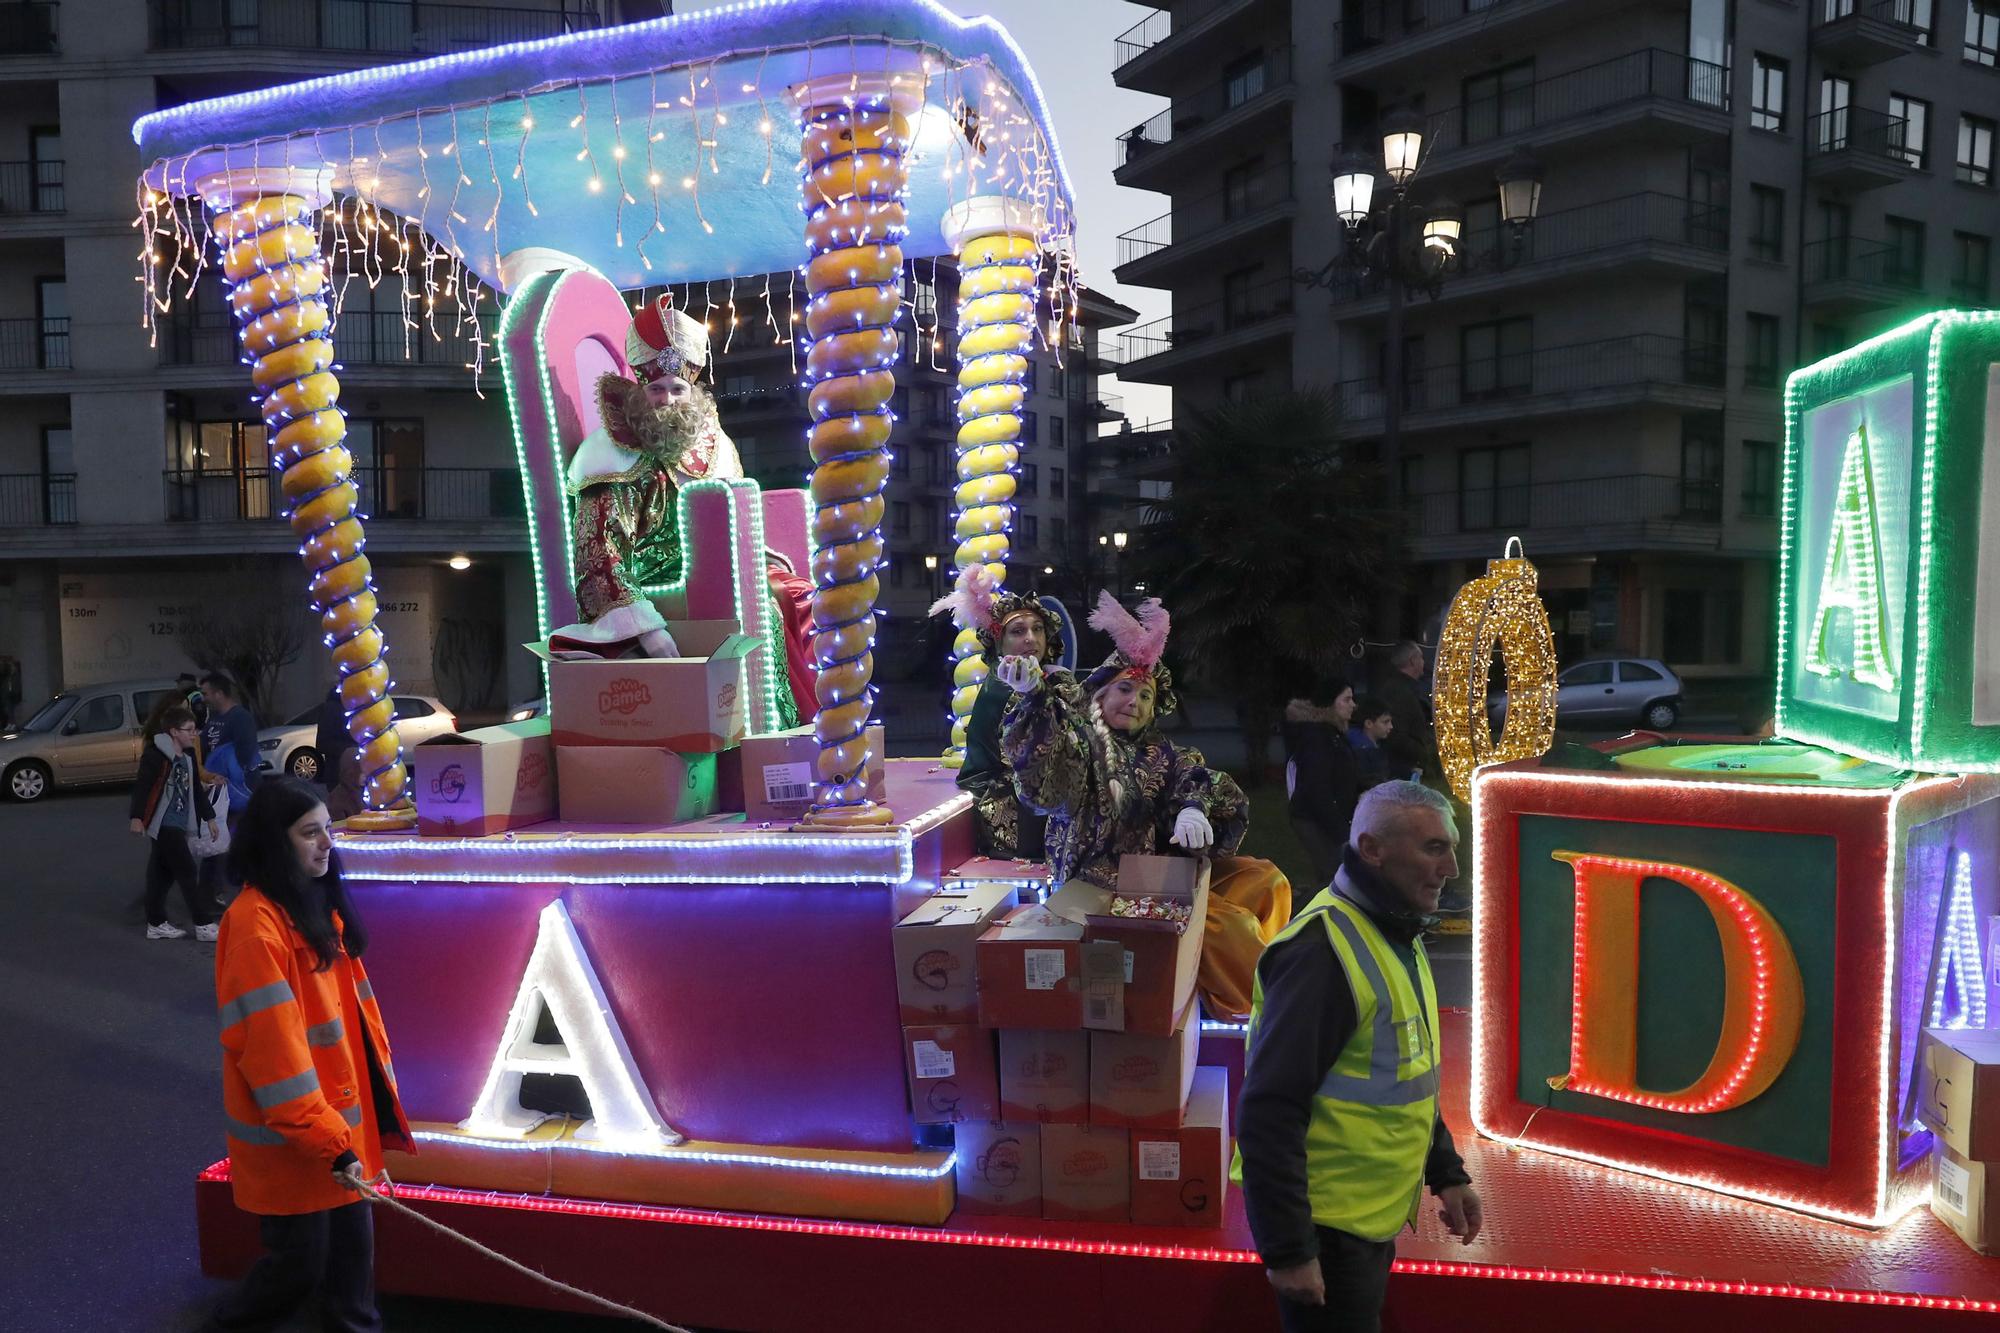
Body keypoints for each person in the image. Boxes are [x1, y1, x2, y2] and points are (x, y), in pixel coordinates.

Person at [1234, 781, 1483, 1333]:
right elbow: (1268, 1112)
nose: (1454, 869)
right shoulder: (1321, 955)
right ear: (1372, 850)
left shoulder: (1392, 927)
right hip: (1327, 1235)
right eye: (1435, 849)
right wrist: (1290, 1251)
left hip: (1364, 1222)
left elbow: (1406, 1071)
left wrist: (1446, 1173)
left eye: (1452, 848)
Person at [1000, 591, 1292, 1021]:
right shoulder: (1082, 741)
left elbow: (1197, 775)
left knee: (1266, 880)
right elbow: (1043, 782)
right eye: (1125, 689)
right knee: (1227, 926)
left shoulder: (1161, 751)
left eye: (1145, 697)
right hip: (1104, 887)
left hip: (1160, 876)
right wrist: (1035, 703)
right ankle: (1261, 1006)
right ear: (1100, 692)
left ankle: (1241, 974)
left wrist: (1193, 806)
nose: (1133, 703)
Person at [547, 294, 816, 725]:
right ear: (639, 390)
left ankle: (815, 726)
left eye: (678, 389)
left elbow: (733, 525)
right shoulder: (609, 453)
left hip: (716, 569)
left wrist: (754, 558)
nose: (668, 401)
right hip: (654, 584)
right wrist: (645, 627)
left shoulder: (714, 445)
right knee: (766, 607)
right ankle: (776, 726)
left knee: (798, 591)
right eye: (656, 390)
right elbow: (597, 550)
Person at [204, 778, 412, 1333]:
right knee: (301, 1267)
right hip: (301, 1138)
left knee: (346, 1276)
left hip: (331, 1133)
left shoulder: (309, 905)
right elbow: (273, 1054)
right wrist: (331, 1140)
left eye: (327, 829)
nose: (327, 844)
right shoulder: (256, 926)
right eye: (309, 833)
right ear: (277, 842)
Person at [930, 564, 1066, 861]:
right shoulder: (1001, 689)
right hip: (1019, 809)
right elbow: (1025, 759)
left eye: (1038, 629)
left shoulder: (1054, 678)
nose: (1031, 638)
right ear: (1000, 642)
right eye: (1018, 631)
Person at [129, 705, 220, 941]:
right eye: (188, 729)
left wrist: (209, 817)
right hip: (163, 822)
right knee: (188, 870)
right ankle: (203, 924)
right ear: (173, 732)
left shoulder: (187, 756)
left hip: (179, 822)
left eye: (194, 729)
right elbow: (143, 787)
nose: (194, 734)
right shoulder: (155, 755)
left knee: (161, 874)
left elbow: (196, 792)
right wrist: (136, 817)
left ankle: (156, 923)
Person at [1282, 681, 1360, 889]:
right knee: (1336, 879)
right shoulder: (1318, 737)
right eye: (1347, 699)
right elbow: (1316, 789)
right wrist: (1341, 832)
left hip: (1327, 817)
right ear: (1330, 704)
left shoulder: (1333, 734)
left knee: (1337, 878)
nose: (1353, 705)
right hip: (1315, 819)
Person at [199, 671, 259, 910]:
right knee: (215, 840)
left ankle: (224, 894)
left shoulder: (241, 718)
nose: (202, 698)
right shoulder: (214, 718)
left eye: (205, 693)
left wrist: (236, 781)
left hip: (237, 792)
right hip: (217, 790)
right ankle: (210, 894)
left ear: (218, 693)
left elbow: (246, 755)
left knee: (230, 841)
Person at [1374, 641, 1438, 783]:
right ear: (1412, 661)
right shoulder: (1399, 692)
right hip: (1403, 768)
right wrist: (1422, 754)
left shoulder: (1404, 688)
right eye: (1420, 657)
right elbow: (1397, 733)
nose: (1423, 662)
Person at [1347, 695, 1395, 791]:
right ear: (1369, 723)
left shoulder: (1378, 746)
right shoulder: (1360, 752)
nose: (1391, 726)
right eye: (1385, 722)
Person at [312, 686, 346, 788]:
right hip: (338, 771)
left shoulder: (350, 708)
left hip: (341, 771)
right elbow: (323, 743)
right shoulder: (333, 709)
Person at [323, 746, 365, 825]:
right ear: (350, 773)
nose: (366, 775)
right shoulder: (337, 799)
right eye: (361, 772)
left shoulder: (368, 791)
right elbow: (337, 827)